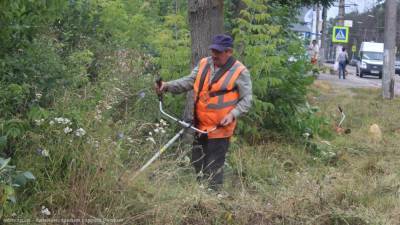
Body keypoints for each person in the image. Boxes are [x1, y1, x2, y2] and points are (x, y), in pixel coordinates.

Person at [155, 34, 252, 191]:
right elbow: (189, 81)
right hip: (200, 127)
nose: (214, 54)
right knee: (197, 164)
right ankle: (198, 198)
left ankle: (212, 203)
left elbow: (246, 100)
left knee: (213, 168)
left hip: (219, 129)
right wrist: (167, 86)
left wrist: (232, 114)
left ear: (229, 52)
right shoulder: (204, 63)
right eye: (213, 50)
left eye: (218, 52)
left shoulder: (240, 72)